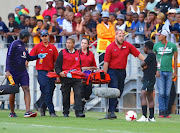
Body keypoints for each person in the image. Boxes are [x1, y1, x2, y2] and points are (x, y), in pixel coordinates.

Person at [103, 29, 145, 118]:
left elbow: (138, 54)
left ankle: (114, 105)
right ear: (116, 36)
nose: (121, 38)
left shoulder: (127, 45)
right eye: (120, 36)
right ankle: (111, 111)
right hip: (112, 71)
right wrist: (104, 74)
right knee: (114, 90)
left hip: (122, 71)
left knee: (120, 90)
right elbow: (106, 62)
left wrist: (147, 61)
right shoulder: (110, 47)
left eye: (123, 36)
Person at [5, 29, 47, 117]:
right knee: (12, 91)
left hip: (23, 71)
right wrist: (7, 70)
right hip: (13, 72)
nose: (29, 39)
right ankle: (12, 112)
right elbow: (8, 56)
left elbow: (27, 57)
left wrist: (37, 56)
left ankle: (27, 111)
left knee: (26, 88)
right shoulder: (14, 44)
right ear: (25, 37)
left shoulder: (25, 45)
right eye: (28, 37)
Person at [30, 29, 58, 117]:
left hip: (50, 72)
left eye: (46, 36)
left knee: (50, 90)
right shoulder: (37, 47)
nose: (45, 38)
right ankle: (51, 111)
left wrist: (57, 74)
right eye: (43, 36)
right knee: (46, 90)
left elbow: (56, 62)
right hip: (41, 71)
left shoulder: (52, 48)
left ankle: (41, 106)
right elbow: (30, 56)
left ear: (48, 36)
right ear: (40, 37)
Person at [55, 38, 85, 118]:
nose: (67, 44)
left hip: (76, 77)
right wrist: (59, 73)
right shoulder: (62, 53)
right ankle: (65, 112)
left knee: (78, 94)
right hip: (65, 77)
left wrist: (81, 74)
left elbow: (80, 64)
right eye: (67, 43)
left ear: (73, 44)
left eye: (69, 43)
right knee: (66, 95)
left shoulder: (78, 53)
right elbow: (57, 65)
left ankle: (79, 112)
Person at [153, 30, 178, 118]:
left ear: (164, 36)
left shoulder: (172, 46)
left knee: (167, 93)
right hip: (160, 71)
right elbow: (154, 59)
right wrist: (155, 70)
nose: (158, 37)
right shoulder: (156, 46)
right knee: (161, 93)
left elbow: (175, 59)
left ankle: (166, 111)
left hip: (169, 71)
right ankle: (161, 111)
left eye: (159, 35)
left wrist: (175, 72)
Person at [137, 40, 157, 122]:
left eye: (144, 47)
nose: (143, 49)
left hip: (149, 78)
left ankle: (144, 116)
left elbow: (142, 64)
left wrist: (143, 65)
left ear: (146, 48)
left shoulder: (151, 55)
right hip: (150, 78)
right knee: (149, 96)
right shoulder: (152, 55)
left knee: (142, 95)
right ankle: (151, 117)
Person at [79, 38, 97, 111]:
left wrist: (90, 68)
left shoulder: (91, 54)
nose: (83, 45)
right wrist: (82, 68)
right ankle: (80, 106)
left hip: (88, 75)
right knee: (80, 90)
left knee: (88, 91)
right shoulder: (77, 53)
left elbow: (94, 66)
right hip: (79, 74)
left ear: (88, 45)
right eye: (82, 43)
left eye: (84, 43)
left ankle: (84, 101)